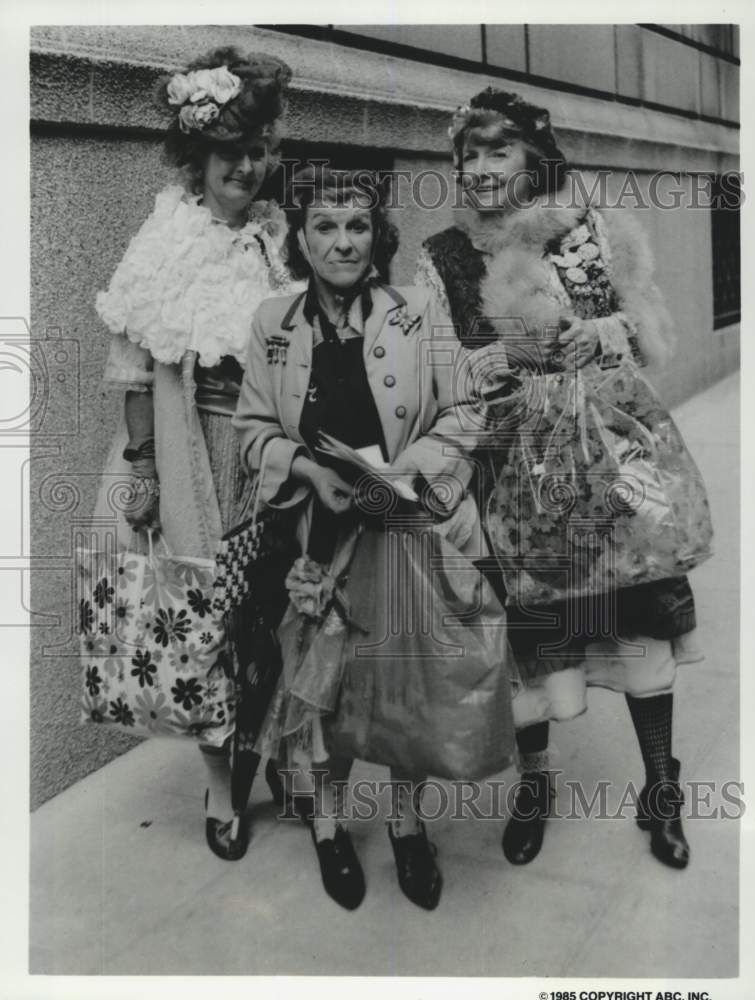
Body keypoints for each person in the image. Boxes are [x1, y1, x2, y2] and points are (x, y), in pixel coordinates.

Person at [415, 87, 713, 870]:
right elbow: (440, 369)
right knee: (531, 632)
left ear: (535, 159)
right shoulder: (443, 256)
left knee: (641, 610)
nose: (479, 169)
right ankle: (536, 784)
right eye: (468, 154)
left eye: (498, 151)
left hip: (615, 462)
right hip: (513, 467)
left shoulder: (596, 231)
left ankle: (661, 788)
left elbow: (651, 326)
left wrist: (604, 331)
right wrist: (504, 362)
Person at [233, 165, 513, 910]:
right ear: (300, 238)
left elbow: (466, 413)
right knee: (320, 691)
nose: (343, 242)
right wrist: (308, 472)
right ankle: (328, 825)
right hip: (315, 532)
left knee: (398, 685)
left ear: (378, 235)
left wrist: (405, 473)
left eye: (357, 226)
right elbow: (251, 431)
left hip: (403, 529)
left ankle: (406, 825)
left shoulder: (419, 310)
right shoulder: (272, 321)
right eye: (324, 226)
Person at [94, 47, 301, 861]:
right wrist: (144, 467)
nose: (245, 169)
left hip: (267, 452)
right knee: (207, 617)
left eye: (256, 152)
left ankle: (279, 748)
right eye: (228, 156)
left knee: (277, 613)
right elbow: (133, 366)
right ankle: (222, 787)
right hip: (197, 458)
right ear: (196, 160)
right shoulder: (167, 239)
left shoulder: (270, 239)